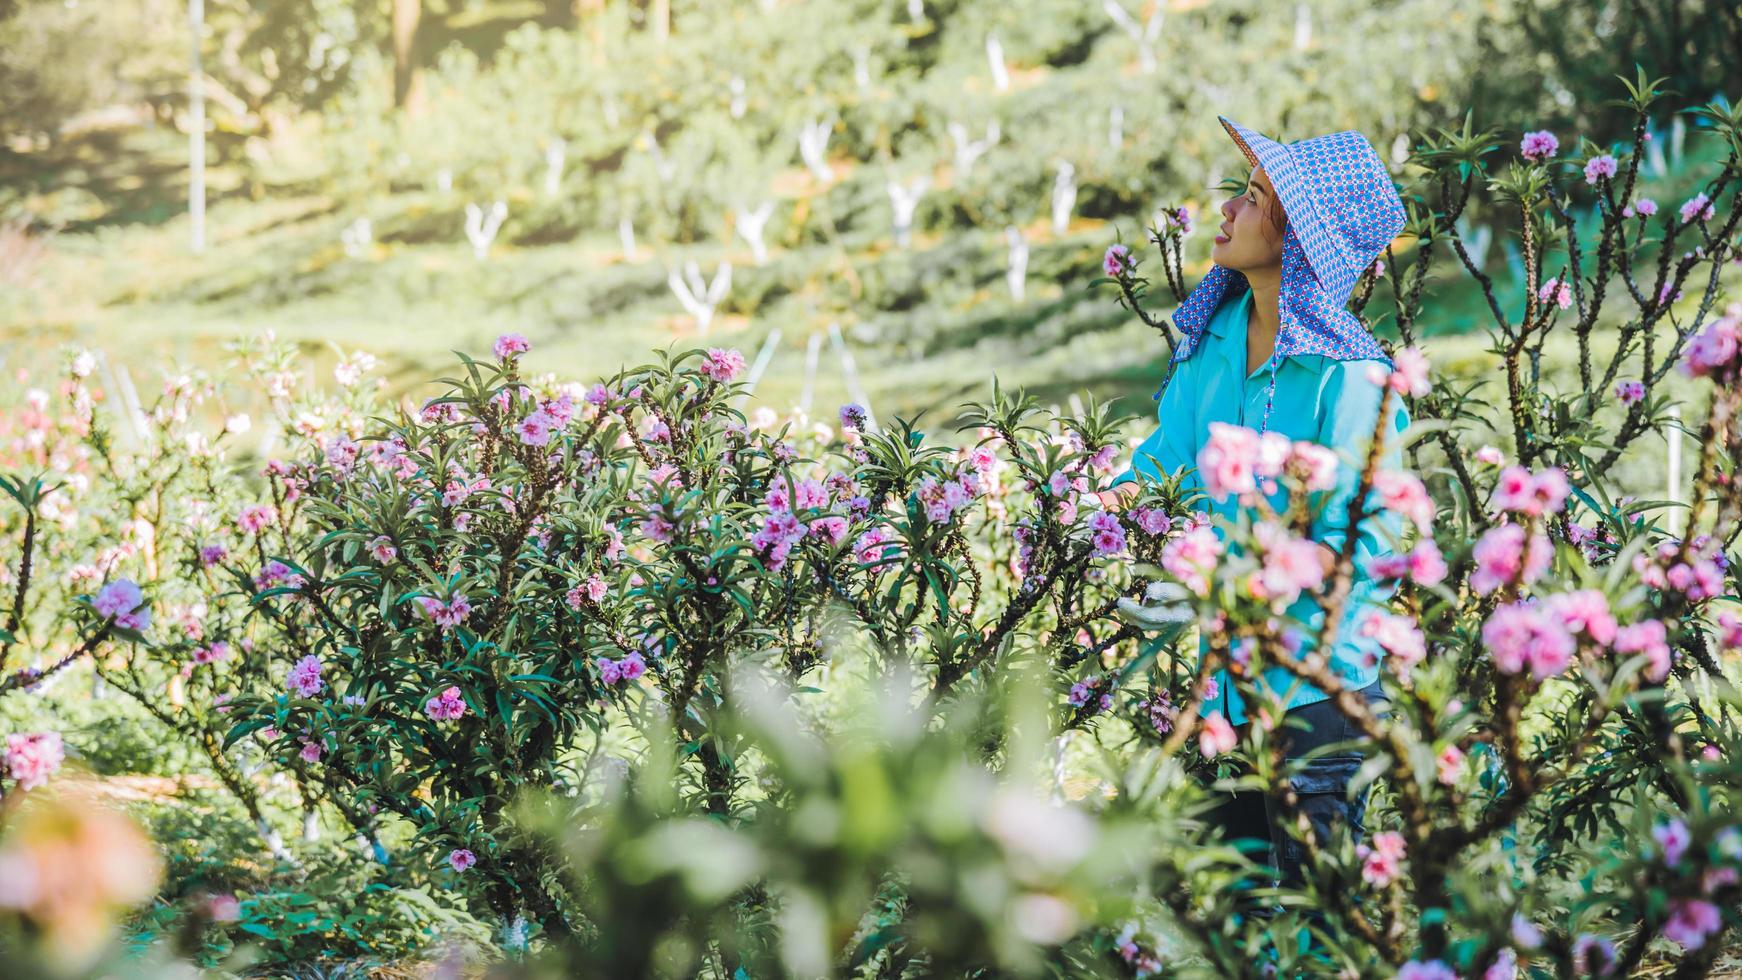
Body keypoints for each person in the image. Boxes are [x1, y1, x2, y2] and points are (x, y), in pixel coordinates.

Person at [1098, 116, 1410, 905]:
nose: (1228, 210)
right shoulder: (1210, 346)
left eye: (1253, 197)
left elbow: (1366, 540)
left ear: (1300, 235)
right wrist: (1081, 519)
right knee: (1209, 909)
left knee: (1327, 913)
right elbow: (1159, 471)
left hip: (1319, 690)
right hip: (1221, 693)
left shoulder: (1352, 380)